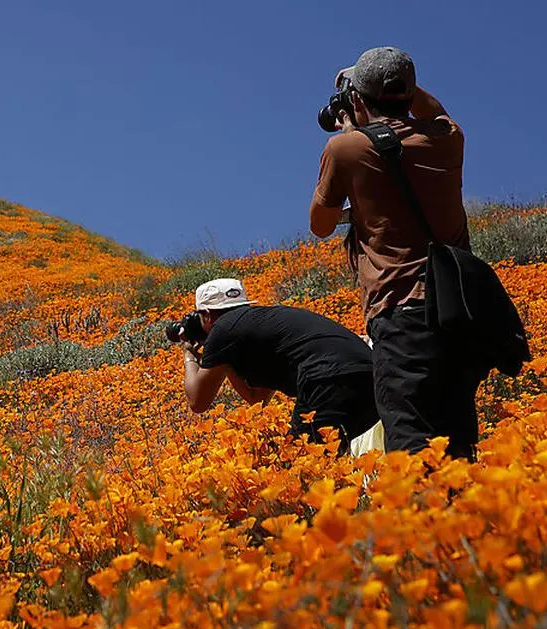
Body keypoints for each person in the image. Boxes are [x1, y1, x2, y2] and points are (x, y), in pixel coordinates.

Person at [308, 46, 481, 459]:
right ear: (409, 90)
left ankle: (423, 523)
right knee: (456, 442)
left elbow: (321, 224)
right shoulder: (448, 138)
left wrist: (351, 128)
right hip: (461, 315)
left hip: (403, 313)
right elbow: (435, 109)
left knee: (411, 442)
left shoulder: (346, 149)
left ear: (355, 98)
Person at [179, 278, 380, 450]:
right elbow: (255, 398)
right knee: (329, 460)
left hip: (327, 378)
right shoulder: (265, 323)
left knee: (302, 464)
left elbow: (198, 402)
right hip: (372, 378)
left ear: (205, 314)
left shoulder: (222, 328)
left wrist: (188, 352)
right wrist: (226, 360)